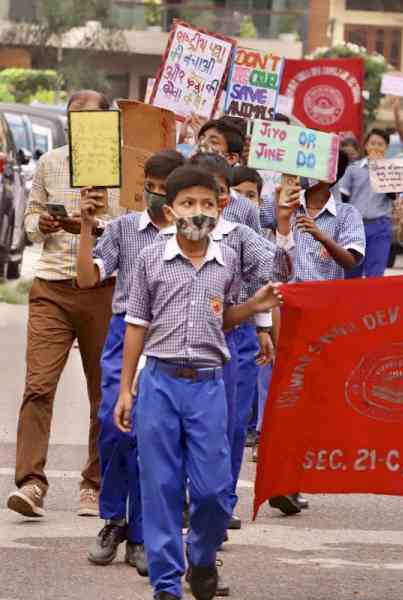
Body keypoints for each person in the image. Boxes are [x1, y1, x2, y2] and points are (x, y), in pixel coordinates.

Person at [113, 165, 283, 600]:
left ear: (220, 208)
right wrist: (127, 388)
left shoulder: (227, 263)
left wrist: (253, 308)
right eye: (188, 203)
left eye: (207, 203)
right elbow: (136, 324)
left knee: (210, 492)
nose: (198, 211)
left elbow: (224, 318)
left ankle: (202, 557)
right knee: (162, 487)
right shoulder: (151, 258)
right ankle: (166, 584)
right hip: (160, 385)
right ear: (170, 211)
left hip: (208, 386)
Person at [6, 89, 122, 519]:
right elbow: (31, 221)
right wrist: (46, 222)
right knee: (38, 385)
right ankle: (31, 483)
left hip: (103, 287)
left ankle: (94, 484)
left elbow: (128, 228)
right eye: (74, 116)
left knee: (103, 392)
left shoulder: (120, 166)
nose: (81, 124)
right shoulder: (51, 162)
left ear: (107, 120)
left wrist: (91, 221)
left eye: (90, 117)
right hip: (52, 286)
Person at [77, 149, 185, 575]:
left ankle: (140, 534)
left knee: (148, 437)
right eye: (152, 188)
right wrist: (86, 228)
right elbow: (87, 278)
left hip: (169, 336)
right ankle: (113, 519)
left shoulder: (193, 234)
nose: (158, 197)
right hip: (126, 333)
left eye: (166, 189)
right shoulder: (124, 229)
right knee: (112, 425)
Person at [186, 153, 286, 538]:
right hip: (178, 340)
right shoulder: (166, 236)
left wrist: (282, 225)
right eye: (192, 197)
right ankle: (183, 500)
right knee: (183, 426)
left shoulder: (241, 233)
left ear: (224, 198)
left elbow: (274, 269)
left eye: (213, 196)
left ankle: (220, 503)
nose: (202, 206)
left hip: (234, 335)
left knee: (228, 424)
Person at [267, 150, 365, 514]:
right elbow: (249, 220)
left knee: (308, 398)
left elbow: (353, 261)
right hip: (281, 307)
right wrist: (281, 209)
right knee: (281, 393)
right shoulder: (281, 200)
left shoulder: (348, 214)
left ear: (331, 175)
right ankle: (281, 479)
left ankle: (292, 480)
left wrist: (323, 236)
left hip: (323, 314)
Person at [338, 128, 394, 278]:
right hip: (355, 226)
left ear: (386, 148)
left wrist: (381, 170)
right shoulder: (353, 169)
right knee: (351, 271)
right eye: (372, 143)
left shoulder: (393, 171)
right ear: (366, 146)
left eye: (380, 144)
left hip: (380, 226)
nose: (375, 148)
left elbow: (393, 195)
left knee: (375, 274)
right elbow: (343, 199)